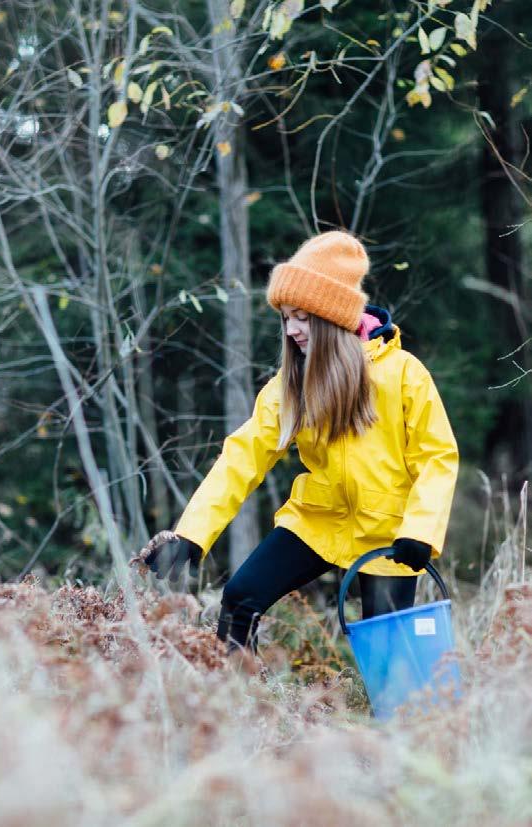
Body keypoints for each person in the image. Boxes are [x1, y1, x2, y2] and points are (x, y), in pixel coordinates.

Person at [143, 230, 459, 653]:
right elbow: (244, 455)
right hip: (318, 520)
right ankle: (235, 705)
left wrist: (420, 531)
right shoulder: (292, 383)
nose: (291, 330)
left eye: (302, 317)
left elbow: (436, 457)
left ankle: (394, 720)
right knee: (240, 600)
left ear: (331, 316)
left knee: (390, 654)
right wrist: (192, 534)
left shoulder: (403, 373)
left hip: (391, 532)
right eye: (285, 317)